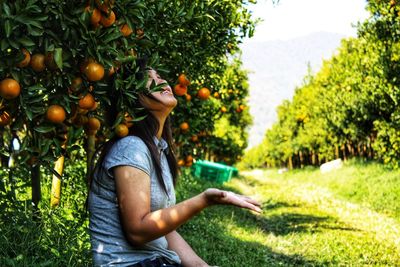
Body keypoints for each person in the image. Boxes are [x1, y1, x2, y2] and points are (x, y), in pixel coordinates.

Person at [87, 63, 262, 267]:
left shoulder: (157, 150)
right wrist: (204, 199)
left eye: (159, 75)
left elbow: (164, 231)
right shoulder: (131, 148)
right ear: (132, 100)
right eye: (149, 78)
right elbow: (137, 231)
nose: (162, 81)